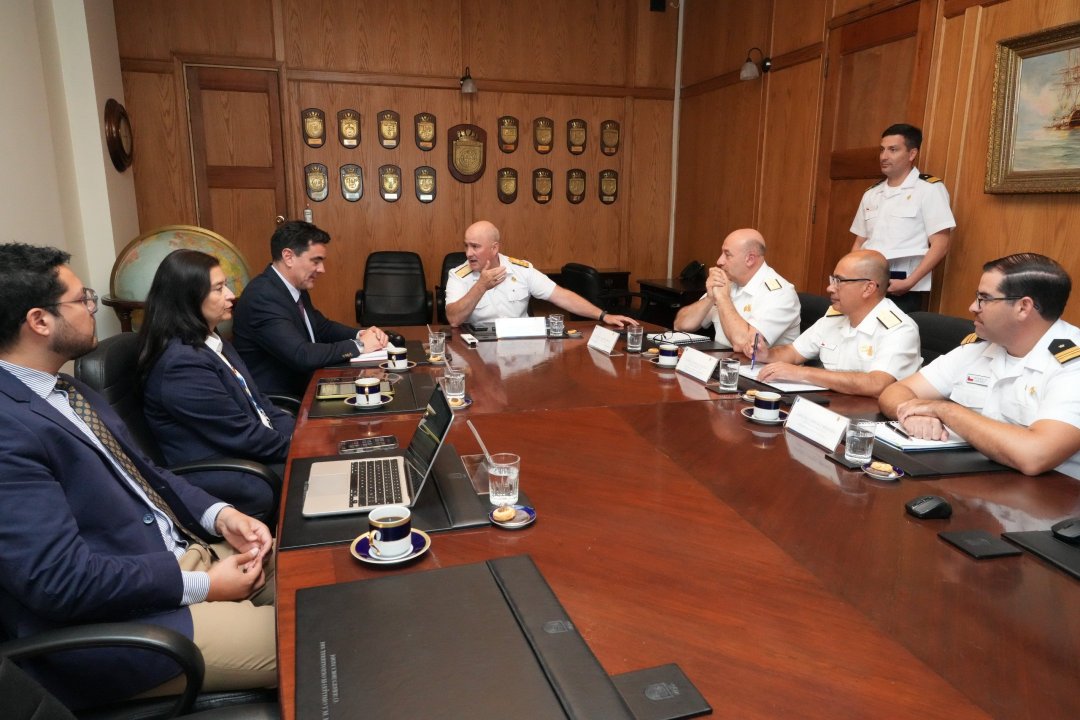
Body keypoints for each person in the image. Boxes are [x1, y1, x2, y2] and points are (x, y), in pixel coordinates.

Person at [0, 244, 275, 709]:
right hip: (123, 629)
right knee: (313, 634)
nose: (92, 308)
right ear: (39, 321)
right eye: (82, 299)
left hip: (180, 557)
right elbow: (62, 581)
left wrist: (221, 515)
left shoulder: (68, 389)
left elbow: (147, 473)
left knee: (318, 579)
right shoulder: (7, 428)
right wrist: (205, 586)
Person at [880, 253, 1080, 479]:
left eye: (984, 299)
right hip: (976, 478)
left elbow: (1035, 456)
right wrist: (914, 415)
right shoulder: (980, 347)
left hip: (1049, 495)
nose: (973, 307)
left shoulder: (1072, 366)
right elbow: (895, 391)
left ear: (1023, 307)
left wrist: (945, 410)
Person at [137, 249, 295, 520]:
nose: (231, 295)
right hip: (226, 473)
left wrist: (303, 435)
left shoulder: (212, 341)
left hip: (249, 455)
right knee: (313, 477)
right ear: (188, 298)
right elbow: (240, 435)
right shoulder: (181, 365)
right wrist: (300, 448)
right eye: (219, 289)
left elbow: (261, 404)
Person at [233, 220, 389, 397]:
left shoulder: (293, 287)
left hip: (310, 383)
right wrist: (360, 345)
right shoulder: (262, 297)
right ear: (288, 257)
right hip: (283, 400)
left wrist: (361, 334)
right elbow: (302, 355)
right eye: (316, 261)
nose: (322, 269)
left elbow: (322, 327)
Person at [744, 250, 921, 397]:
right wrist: (766, 355)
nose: (830, 288)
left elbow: (877, 384)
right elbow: (794, 352)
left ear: (868, 288)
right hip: (832, 406)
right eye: (832, 280)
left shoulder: (899, 330)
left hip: (870, 419)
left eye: (839, 281)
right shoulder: (836, 317)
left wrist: (802, 372)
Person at [444, 220, 638, 328]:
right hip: (478, 346)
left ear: (494, 248)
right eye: (466, 246)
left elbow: (561, 296)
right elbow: (453, 319)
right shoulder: (458, 275)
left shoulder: (520, 269)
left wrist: (603, 315)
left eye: (475, 246)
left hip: (520, 347)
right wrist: (481, 286)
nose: (468, 253)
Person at [851, 123, 955, 313]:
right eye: (882, 150)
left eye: (893, 150)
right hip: (866, 283)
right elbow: (859, 242)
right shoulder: (871, 193)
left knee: (894, 331)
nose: (884, 156)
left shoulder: (929, 189)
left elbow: (941, 244)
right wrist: (852, 278)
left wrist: (910, 282)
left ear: (912, 154)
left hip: (903, 287)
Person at [673, 228, 800, 349]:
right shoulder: (731, 281)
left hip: (757, 365)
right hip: (723, 360)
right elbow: (680, 325)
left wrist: (723, 298)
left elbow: (744, 345)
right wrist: (709, 299)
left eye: (727, 255)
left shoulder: (780, 294)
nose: (719, 261)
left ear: (750, 259)